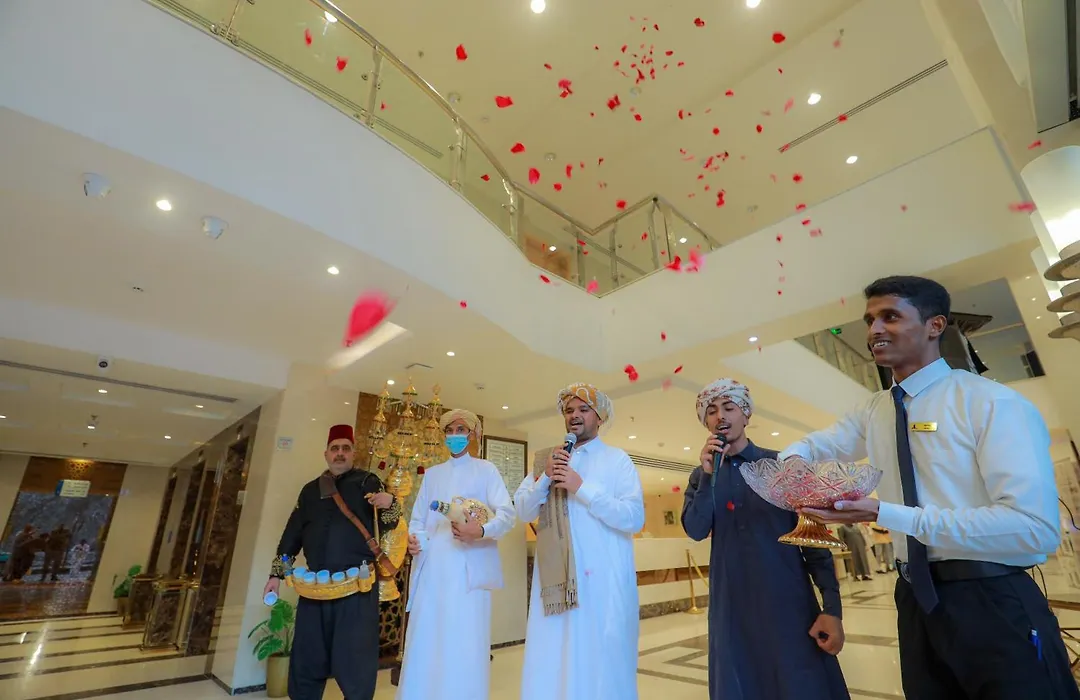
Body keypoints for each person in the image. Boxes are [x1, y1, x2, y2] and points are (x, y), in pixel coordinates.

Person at [782, 275, 1078, 700]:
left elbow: (1034, 528)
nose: (874, 330)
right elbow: (815, 445)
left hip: (991, 598)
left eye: (890, 317)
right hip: (914, 600)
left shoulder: (990, 403)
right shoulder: (875, 410)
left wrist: (884, 513)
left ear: (935, 325)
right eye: (869, 320)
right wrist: (794, 466)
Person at [681, 378, 848, 700]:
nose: (720, 416)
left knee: (800, 684)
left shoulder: (780, 466)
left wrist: (832, 608)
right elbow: (696, 529)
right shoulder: (701, 475)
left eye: (729, 407)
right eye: (711, 411)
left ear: (746, 415)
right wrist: (707, 476)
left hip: (787, 602)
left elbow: (814, 544)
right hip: (731, 608)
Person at [514, 383, 644, 700]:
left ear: (599, 417)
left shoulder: (617, 460)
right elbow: (523, 511)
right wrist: (546, 477)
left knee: (599, 661)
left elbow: (633, 517)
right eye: (569, 410)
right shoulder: (547, 460)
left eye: (584, 409)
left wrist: (581, 487)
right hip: (555, 585)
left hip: (601, 585)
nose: (575, 415)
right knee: (552, 659)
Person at [263, 424, 401, 700]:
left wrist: (391, 504)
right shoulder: (309, 491)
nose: (340, 453)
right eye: (335, 448)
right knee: (308, 654)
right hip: (315, 587)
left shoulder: (367, 482)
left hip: (357, 588)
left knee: (355, 658)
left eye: (345, 448)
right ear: (326, 454)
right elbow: (292, 535)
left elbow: (388, 524)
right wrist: (275, 576)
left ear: (353, 453)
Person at [397, 408, 515, 700]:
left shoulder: (486, 470)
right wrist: (415, 541)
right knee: (427, 638)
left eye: (460, 430)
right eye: (449, 431)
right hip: (433, 570)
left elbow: (507, 515)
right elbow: (418, 520)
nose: (454, 436)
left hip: (467, 572)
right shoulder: (433, 475)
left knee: (464, 641)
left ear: (473, 435)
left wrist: (481, 530)